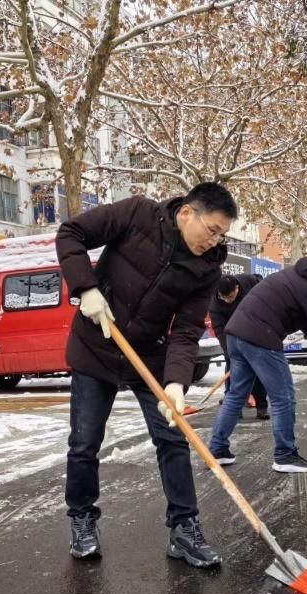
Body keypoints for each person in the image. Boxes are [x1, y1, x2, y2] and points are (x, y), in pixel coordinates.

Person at [56, 182, 237, 568]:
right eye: (212, 230)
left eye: (221, 234)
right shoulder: (137, 214)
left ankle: (184, 528)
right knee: (85, 442)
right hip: (96, 344)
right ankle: (83, 520)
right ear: (187, 213)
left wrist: (175, 382)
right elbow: (71, 232)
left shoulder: (207, 268)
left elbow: (187, 329)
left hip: (149, 355)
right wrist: (85, 288)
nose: (214, 240)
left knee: (173, 438)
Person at [208, 256, 307, 473]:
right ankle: (285, 455)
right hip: (260, 335)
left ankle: (217, 449)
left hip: (236, 334)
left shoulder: (300, 276)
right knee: (284, 397)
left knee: (236, 395)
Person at [210, 273, 269, 420]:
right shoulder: (215, 303)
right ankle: (235, 409)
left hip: (252, 331)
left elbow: (262, 283)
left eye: (230, 297)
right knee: (233, 372)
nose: (228, 301)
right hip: (231, 336)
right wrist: (229, 350)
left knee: (256, 371)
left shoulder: (248, 282)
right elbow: (219, 329)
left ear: (237, 288)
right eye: (224, 298)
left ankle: (261, 406)